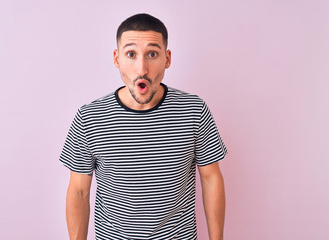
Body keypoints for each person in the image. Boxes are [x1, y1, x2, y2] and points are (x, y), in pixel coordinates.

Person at [60, 13, 227, 240]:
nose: (142, 68)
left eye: (152, 54)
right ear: (117, 59)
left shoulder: (194, 111)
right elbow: (79, 192)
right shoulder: (89, 118)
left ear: (167, 58)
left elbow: (211, 178)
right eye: (131, 54)